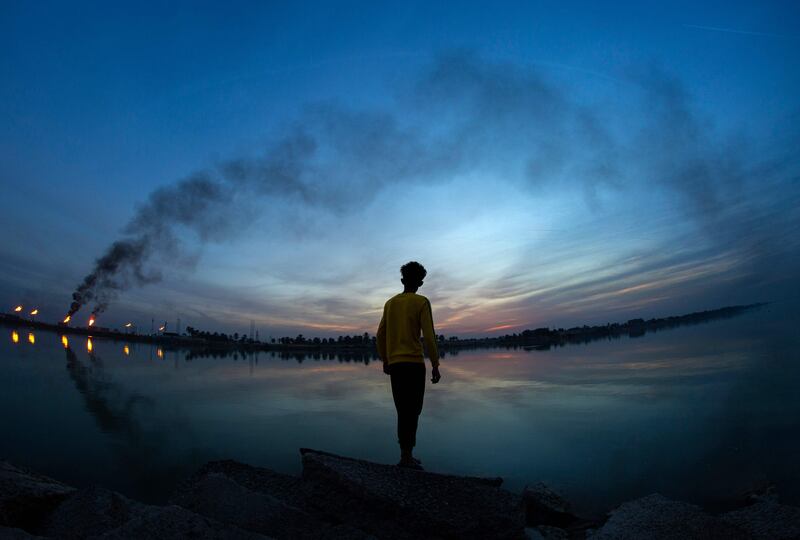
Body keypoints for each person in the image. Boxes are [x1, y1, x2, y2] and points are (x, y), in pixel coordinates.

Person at [376, 261, 441, 470]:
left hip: (396, 364)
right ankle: (407, 456)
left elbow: (380, 335)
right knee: (413, 410)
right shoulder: (422, 302)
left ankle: (405, 455)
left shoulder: (390, 303)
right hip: (413, 364)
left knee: (402, 409)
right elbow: (429, 337)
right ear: (420, 283)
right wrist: (435, 364)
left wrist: (385, 359)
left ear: (402, 280)